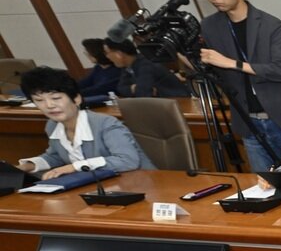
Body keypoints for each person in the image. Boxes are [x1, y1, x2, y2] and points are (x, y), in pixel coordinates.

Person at [188, 0, 281, 172]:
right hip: (248, 124)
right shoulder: (209, 26)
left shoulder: (270, 24)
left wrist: (231, 63)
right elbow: (206, 71)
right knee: (265, 187)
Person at [16, 67, 154, 178]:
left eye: (56, 98)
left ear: (76, 99)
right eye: (39, 100)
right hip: (100, 186)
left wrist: (74, 167)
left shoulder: (106, 124)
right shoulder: (52, 125)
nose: (49, 105)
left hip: (140, 183)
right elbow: (56, 155)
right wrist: (29, 166)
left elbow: (127, 161)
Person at [104, 39, 190, 99]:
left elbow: (142, 93)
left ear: (119, 54)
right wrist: (134, 89)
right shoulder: (127, 66)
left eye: (107, 53)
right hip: (161, 104)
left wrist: (136, 89)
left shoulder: (146, 63)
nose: (107, 57)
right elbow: (121, 89)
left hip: (179, 101)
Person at [77, 37, 120, 103]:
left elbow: (100, 89)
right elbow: (85, 82)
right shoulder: (98, 67)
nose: (86, 54)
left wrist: (73, 94)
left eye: (88, 52)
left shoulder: (117, 69)